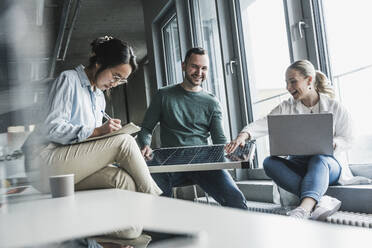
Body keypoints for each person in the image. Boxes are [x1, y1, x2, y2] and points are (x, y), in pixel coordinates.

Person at [22, 36, 162, 239]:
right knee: (124, 141)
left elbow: (88, 145)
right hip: (44, 162)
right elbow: (52, 128)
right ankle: (157, 201)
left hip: (69, 167)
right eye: (115, 76)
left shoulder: (98, 97)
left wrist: (106, 136)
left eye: (120, 81)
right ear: (99, 63)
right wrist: (98, 132)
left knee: (124, 185)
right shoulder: (68, 79)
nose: (115, 84)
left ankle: (79, 230)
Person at [225, 59, 355, 220]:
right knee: (269, 162)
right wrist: (243, 136)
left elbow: (348, 139)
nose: (288, 88)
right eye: (286, 83)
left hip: (327, 165)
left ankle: (304, 209)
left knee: (319, 159)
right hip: (299, 164)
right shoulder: (286, 107)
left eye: (293, 82)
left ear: (309, 80)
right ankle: (320, 200)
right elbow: (263, 123)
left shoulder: (335, 106)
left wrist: (334, 143)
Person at [137, 47, 247, 210]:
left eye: (204, 68)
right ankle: (165, 233)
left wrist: (232, 153)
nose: (199, 72)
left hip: (202, 163)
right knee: (158, 200)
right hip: (169, 164)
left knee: (236, 201)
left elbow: (219, 141)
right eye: (194, 66)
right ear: (183, 66)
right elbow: (146, 128)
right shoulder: (164, 95)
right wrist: (145, 145)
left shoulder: (211, 102)